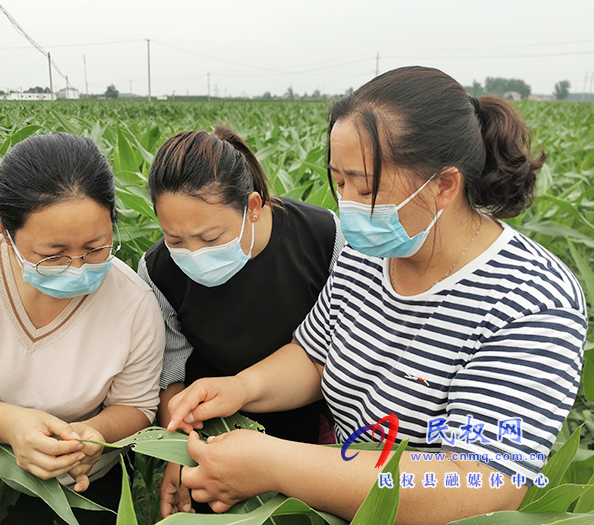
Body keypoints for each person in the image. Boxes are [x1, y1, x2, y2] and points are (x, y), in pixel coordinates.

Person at [165, 67, 588, 524]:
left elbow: (480, 483)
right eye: (338, 182)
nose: (346, 205)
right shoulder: (368, 255)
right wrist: (241, 388)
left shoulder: (532, 298)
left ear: (444, 186)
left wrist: (274, 464)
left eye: (365, 188)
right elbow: (314, 356)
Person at [0, 132, 165, 524]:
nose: (78, 268)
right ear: (5, 229)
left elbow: (136, 405)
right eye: (53, 255)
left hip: (80, 481)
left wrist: (91, 436)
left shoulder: (132, 302)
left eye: (95, 248)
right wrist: (12, 425)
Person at [137, 126, 344, 517]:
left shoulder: (324, 237)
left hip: (310, 430)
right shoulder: (157, 270)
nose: (193, 254)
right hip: (215, 432)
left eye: (211, 237)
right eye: (175, 239)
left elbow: (333, 347)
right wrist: (178, 451)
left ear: (252, 207)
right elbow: (170, 370)